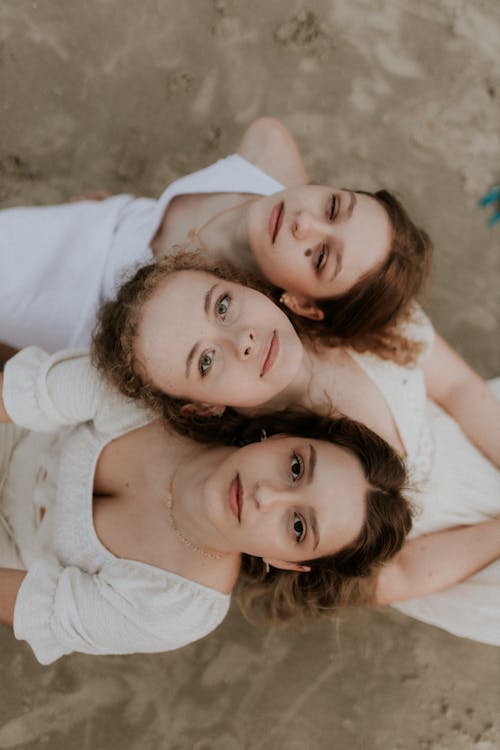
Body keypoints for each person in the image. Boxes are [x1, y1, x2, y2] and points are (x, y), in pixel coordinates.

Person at [93, 251, 500, 645]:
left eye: (223, 307)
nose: (245, 344)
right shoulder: (252, 449)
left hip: (479, 433)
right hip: (449, 544)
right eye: (204, 362)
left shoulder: (343, 317)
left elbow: (460, 389)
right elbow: (403, 572)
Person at [1, 348, 499, 664]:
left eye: (298, 526)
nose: (267, 496)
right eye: (297, 468)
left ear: (287, 562)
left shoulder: (176, 608)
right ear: (280, 435)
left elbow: (27, 602)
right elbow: (33, 392)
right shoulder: (174, 396)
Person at [0, 117, 430, 361]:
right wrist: (132, 212)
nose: (305, 223)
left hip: (81, 315)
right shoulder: (269, 151)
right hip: (102, 223)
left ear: (301, 303)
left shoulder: (234, 315)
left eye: (319, 257)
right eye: (334, 207)